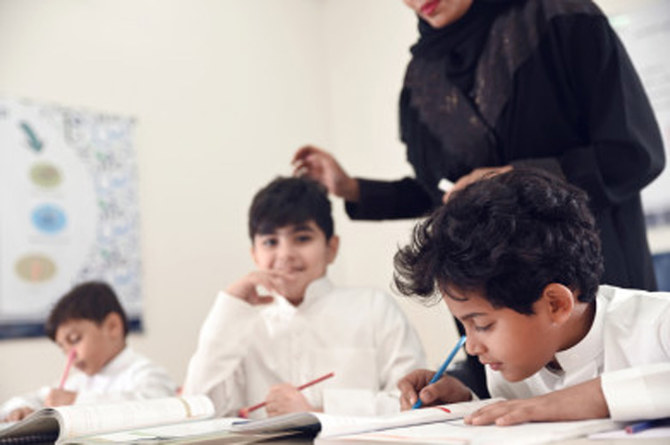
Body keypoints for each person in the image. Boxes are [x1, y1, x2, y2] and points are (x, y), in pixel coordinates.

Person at [293, 0, 664, 398]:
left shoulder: (562, 19)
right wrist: (353, 189)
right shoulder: (421, 80)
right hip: (494, 303)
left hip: (584, 289)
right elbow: (442, 192)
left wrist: (518, 177)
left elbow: (635, 152)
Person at [393, 168, 670, 425]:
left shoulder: (658, 322)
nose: (472, 347)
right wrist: (467, 405)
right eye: (466, 327)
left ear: (556, 304)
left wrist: (589, 398)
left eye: (482, 325)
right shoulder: (512, 370)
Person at [182, 177, 426, 418]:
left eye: (302, 238)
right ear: (254, 254)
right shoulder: (240, 325)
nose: (285, 254)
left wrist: (320, 412)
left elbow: (412, 401)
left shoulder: (373, 307)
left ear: (331, 248)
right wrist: (229, 306)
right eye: (270, 242)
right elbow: (199, 411)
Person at [0, 281, 177, 421]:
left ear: (112, 327)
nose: (71, 355)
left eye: (75, 339)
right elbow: (33, 399)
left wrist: (75, 401)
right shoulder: (78, 382)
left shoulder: (146, 374)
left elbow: (157, 406)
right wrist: (20, 409)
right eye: (63, 348)